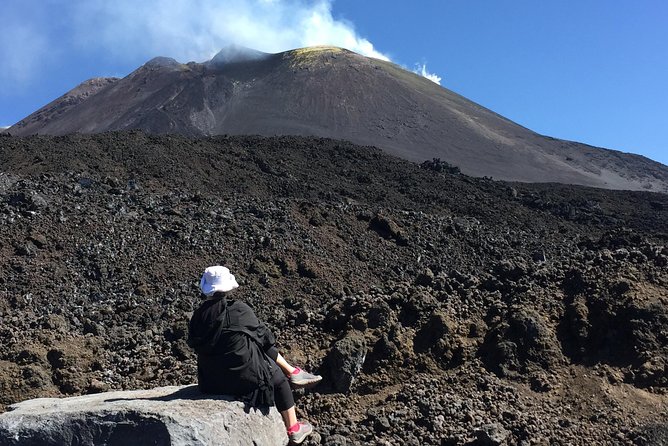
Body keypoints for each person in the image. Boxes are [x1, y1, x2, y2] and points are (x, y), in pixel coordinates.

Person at [188, 265, 321, 444]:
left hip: (210, 382)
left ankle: (293, 372)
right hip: (242, 382)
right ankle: (293, 427)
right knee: (277, 377)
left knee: (249, 345)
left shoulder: (198, 317)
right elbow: (265, 337)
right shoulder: (238, 310)